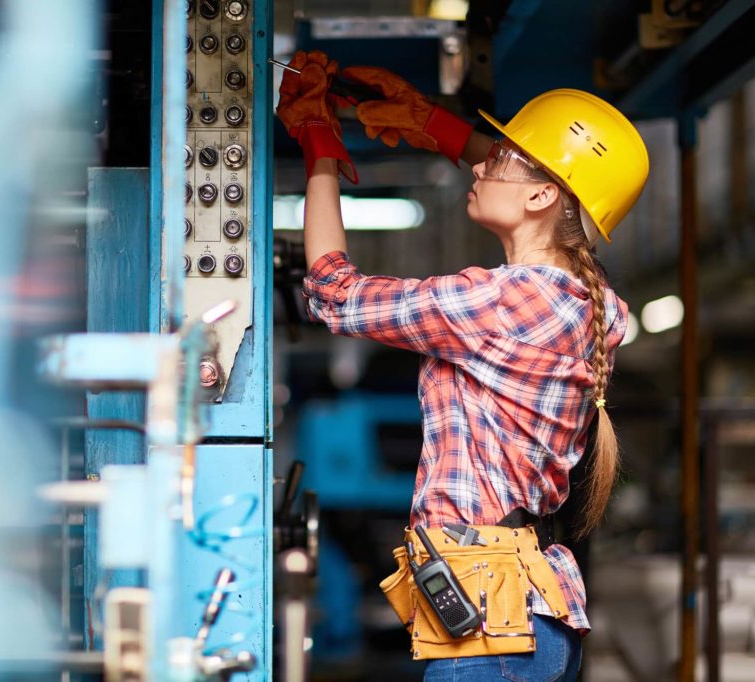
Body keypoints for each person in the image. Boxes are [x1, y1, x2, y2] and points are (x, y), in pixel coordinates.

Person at [276, 50, 649, 681]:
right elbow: (527, 180)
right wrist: (426, 121)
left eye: (501, 157)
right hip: (522, 612)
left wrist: (320, 147)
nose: (480, 163)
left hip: (491, 623)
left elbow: (331, 293)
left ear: (541, 193)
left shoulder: (505, 302)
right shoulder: (582, 303)